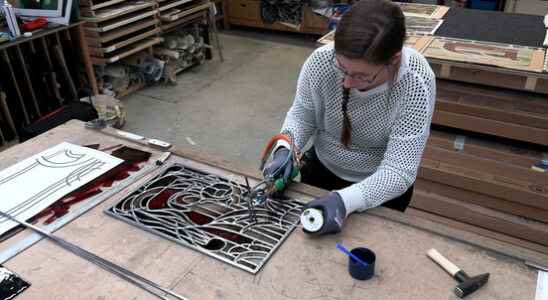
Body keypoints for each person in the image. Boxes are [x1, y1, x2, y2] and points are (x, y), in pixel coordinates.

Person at [262, 0, 436, 235]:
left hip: (380, 190)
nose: (347, 82)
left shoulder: (415, 82)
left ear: (393, 60)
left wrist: (346, 201)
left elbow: (399, 169)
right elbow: (303, 116)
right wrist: (285, 148)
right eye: (342, 68)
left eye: (361, 76)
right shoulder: (321, 62)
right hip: (321, 170)